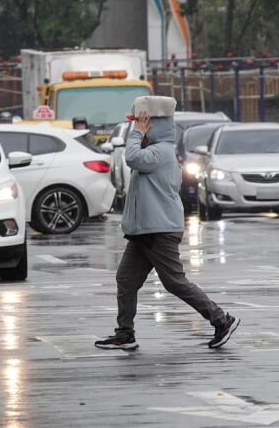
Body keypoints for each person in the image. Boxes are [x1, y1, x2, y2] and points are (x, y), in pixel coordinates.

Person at [95, 96, 239, 350]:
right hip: (145, 231)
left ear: (155, 124)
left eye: (140, 123)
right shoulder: (157, 151)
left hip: (159, 231)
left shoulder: (160, 152)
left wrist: (136, 134)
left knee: (174, 281)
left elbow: (132, 158)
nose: (135, 129)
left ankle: (221, 320)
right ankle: (125, 333)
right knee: (126, 279)